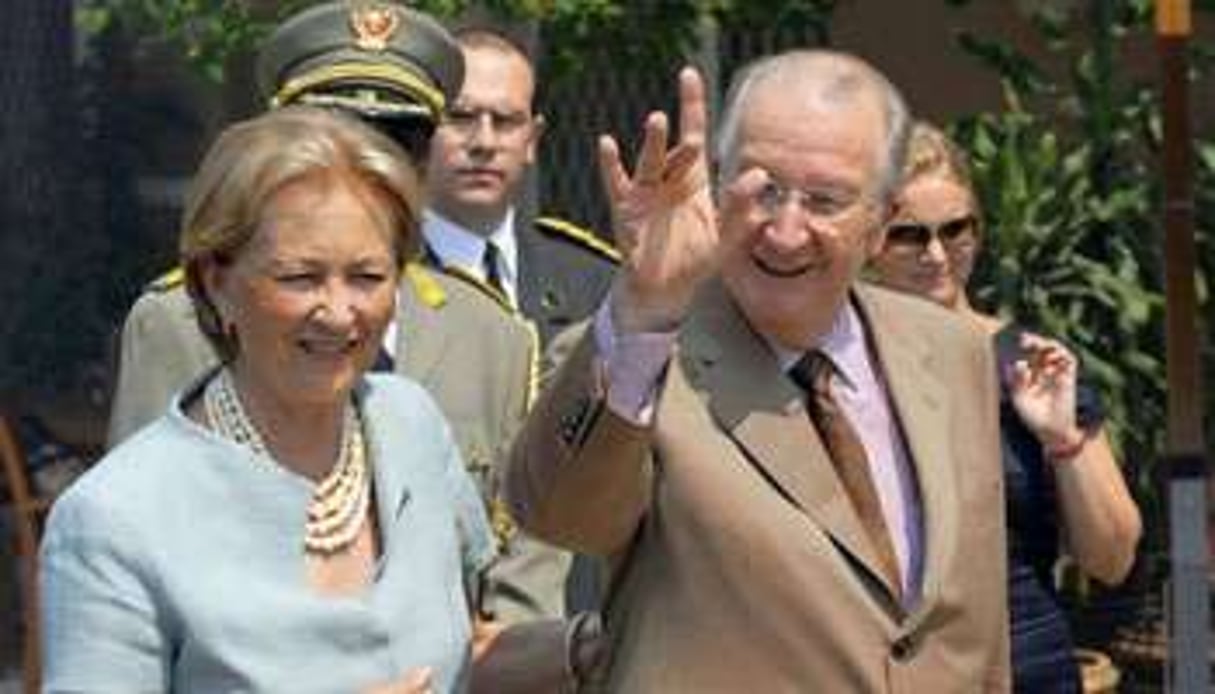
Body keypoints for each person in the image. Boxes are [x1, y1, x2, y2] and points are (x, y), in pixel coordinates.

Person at [506, 50, 1012, 691]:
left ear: (880, 224)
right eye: (764, 189)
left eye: (825, 200)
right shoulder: (645, 359)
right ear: (718, 186)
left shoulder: (952, 352)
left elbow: (978, 631)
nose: (786, 231)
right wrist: (644, 311)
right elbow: (562, 516)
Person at [105, 0, 564, 627]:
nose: (363, 169)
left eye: (398, 141)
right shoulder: (180, 320)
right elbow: (133, 571)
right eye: (332, 136)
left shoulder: (492, 336)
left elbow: (523, 579)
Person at [43, 106, 496, 693]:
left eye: (367, 276)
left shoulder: (410, 421)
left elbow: (463, 654)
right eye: (300, 278)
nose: (338, 313)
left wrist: (595, 643)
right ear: (216, 283)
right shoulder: (112, 519)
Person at [868, 121, 1142, 692]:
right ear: (868, 239)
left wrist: (1063, 438)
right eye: (909, 235)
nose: (937, 255)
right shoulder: (839, 368)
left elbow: (1112, 558)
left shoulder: (1030, 363)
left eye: (955, 230)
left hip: (1025, 666)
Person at [422, 26, 618, 348]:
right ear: (422, 130)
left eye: (505, 121)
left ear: (532, 140)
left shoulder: (592, 282)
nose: (484, 142)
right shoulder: (381, 277)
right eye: (460, 117)